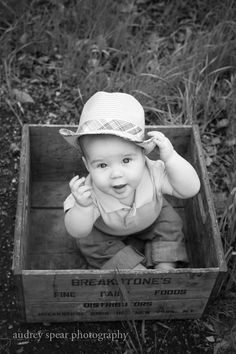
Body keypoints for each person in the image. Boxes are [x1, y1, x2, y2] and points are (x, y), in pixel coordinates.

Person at [59, 91, 200, 271]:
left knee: (169, 224)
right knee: (91, 242)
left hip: (152, 218)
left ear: (143, 155)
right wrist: (83, 208)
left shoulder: (153, 172)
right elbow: (76, 231)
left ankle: (165, 265)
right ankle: (132, 269)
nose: (116, 174)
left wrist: (171, 158)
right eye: (102, 165)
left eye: (126, 160)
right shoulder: (88, 193)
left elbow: (190, 189)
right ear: (87, 165)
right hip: (105, 230)